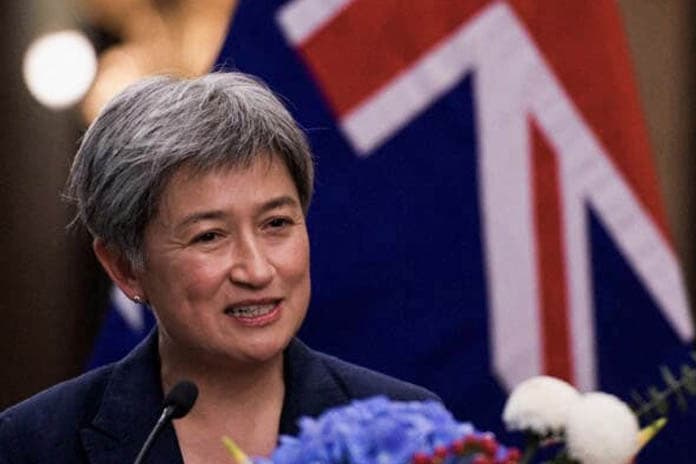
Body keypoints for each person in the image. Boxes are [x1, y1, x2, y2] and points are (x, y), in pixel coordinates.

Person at [0, 73, 438, 463]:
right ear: (125, 268)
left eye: (276, 224)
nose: (257, 270)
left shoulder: (411, 431)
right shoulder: (34, 444)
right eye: (209, 236)